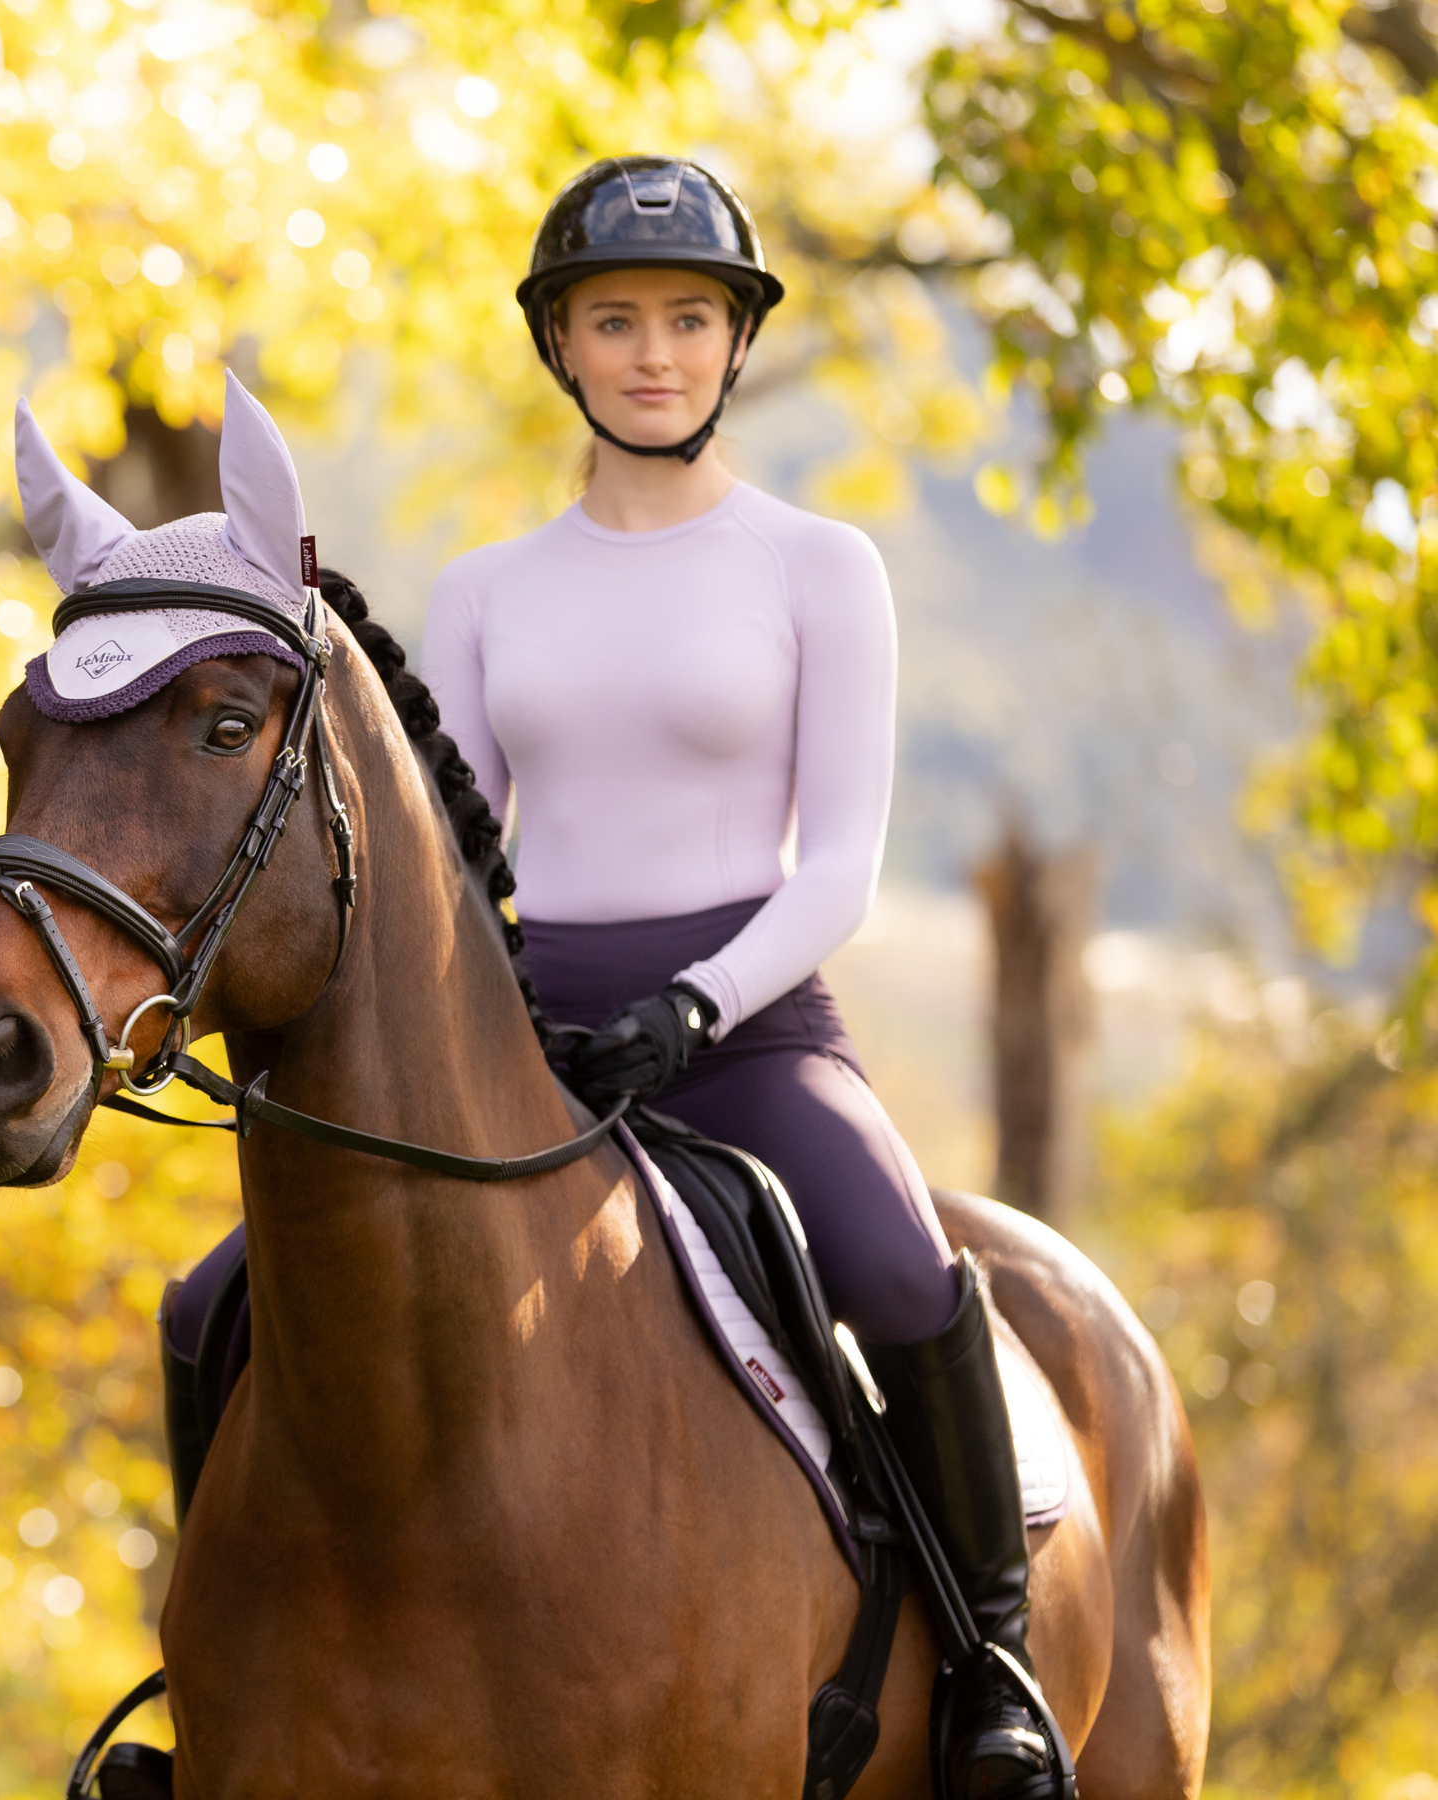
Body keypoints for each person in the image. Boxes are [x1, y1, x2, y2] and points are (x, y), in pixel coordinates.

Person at [419, 155, 1064, 1799]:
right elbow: (450, 861)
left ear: (736, 343)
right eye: (614, 318)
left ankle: (993, 1667)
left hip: (748, 1030)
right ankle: (232, 1680)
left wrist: (698, 1005)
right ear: (560, 345)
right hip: (534, 1040)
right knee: (221, 1301)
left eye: (689, 318)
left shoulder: (817, 566)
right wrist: (498, 1012)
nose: (654, 352)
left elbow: (840, 864)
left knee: (908, 1278)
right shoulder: (480, 594)